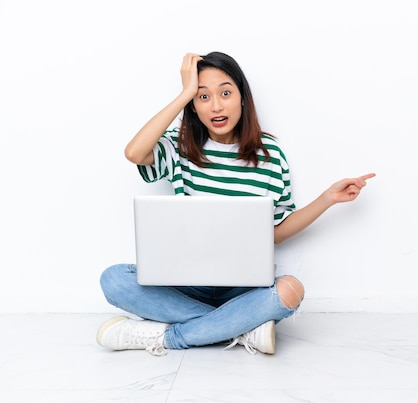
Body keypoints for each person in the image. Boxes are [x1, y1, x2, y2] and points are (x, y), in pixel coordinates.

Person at [96, 51, 375, 356]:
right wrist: (184, 93)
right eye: (203, 97)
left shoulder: (270, 156)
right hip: (186, 281)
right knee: (113, 280)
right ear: (193, 105)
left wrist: (327, 199)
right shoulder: (181, 146)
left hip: (242, 288)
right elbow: (135, 153)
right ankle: (240, 327)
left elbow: (277, 233)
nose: (216, 105)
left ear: (243, 97)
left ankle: (167, 337)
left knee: (291, 290)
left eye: (226, 93)